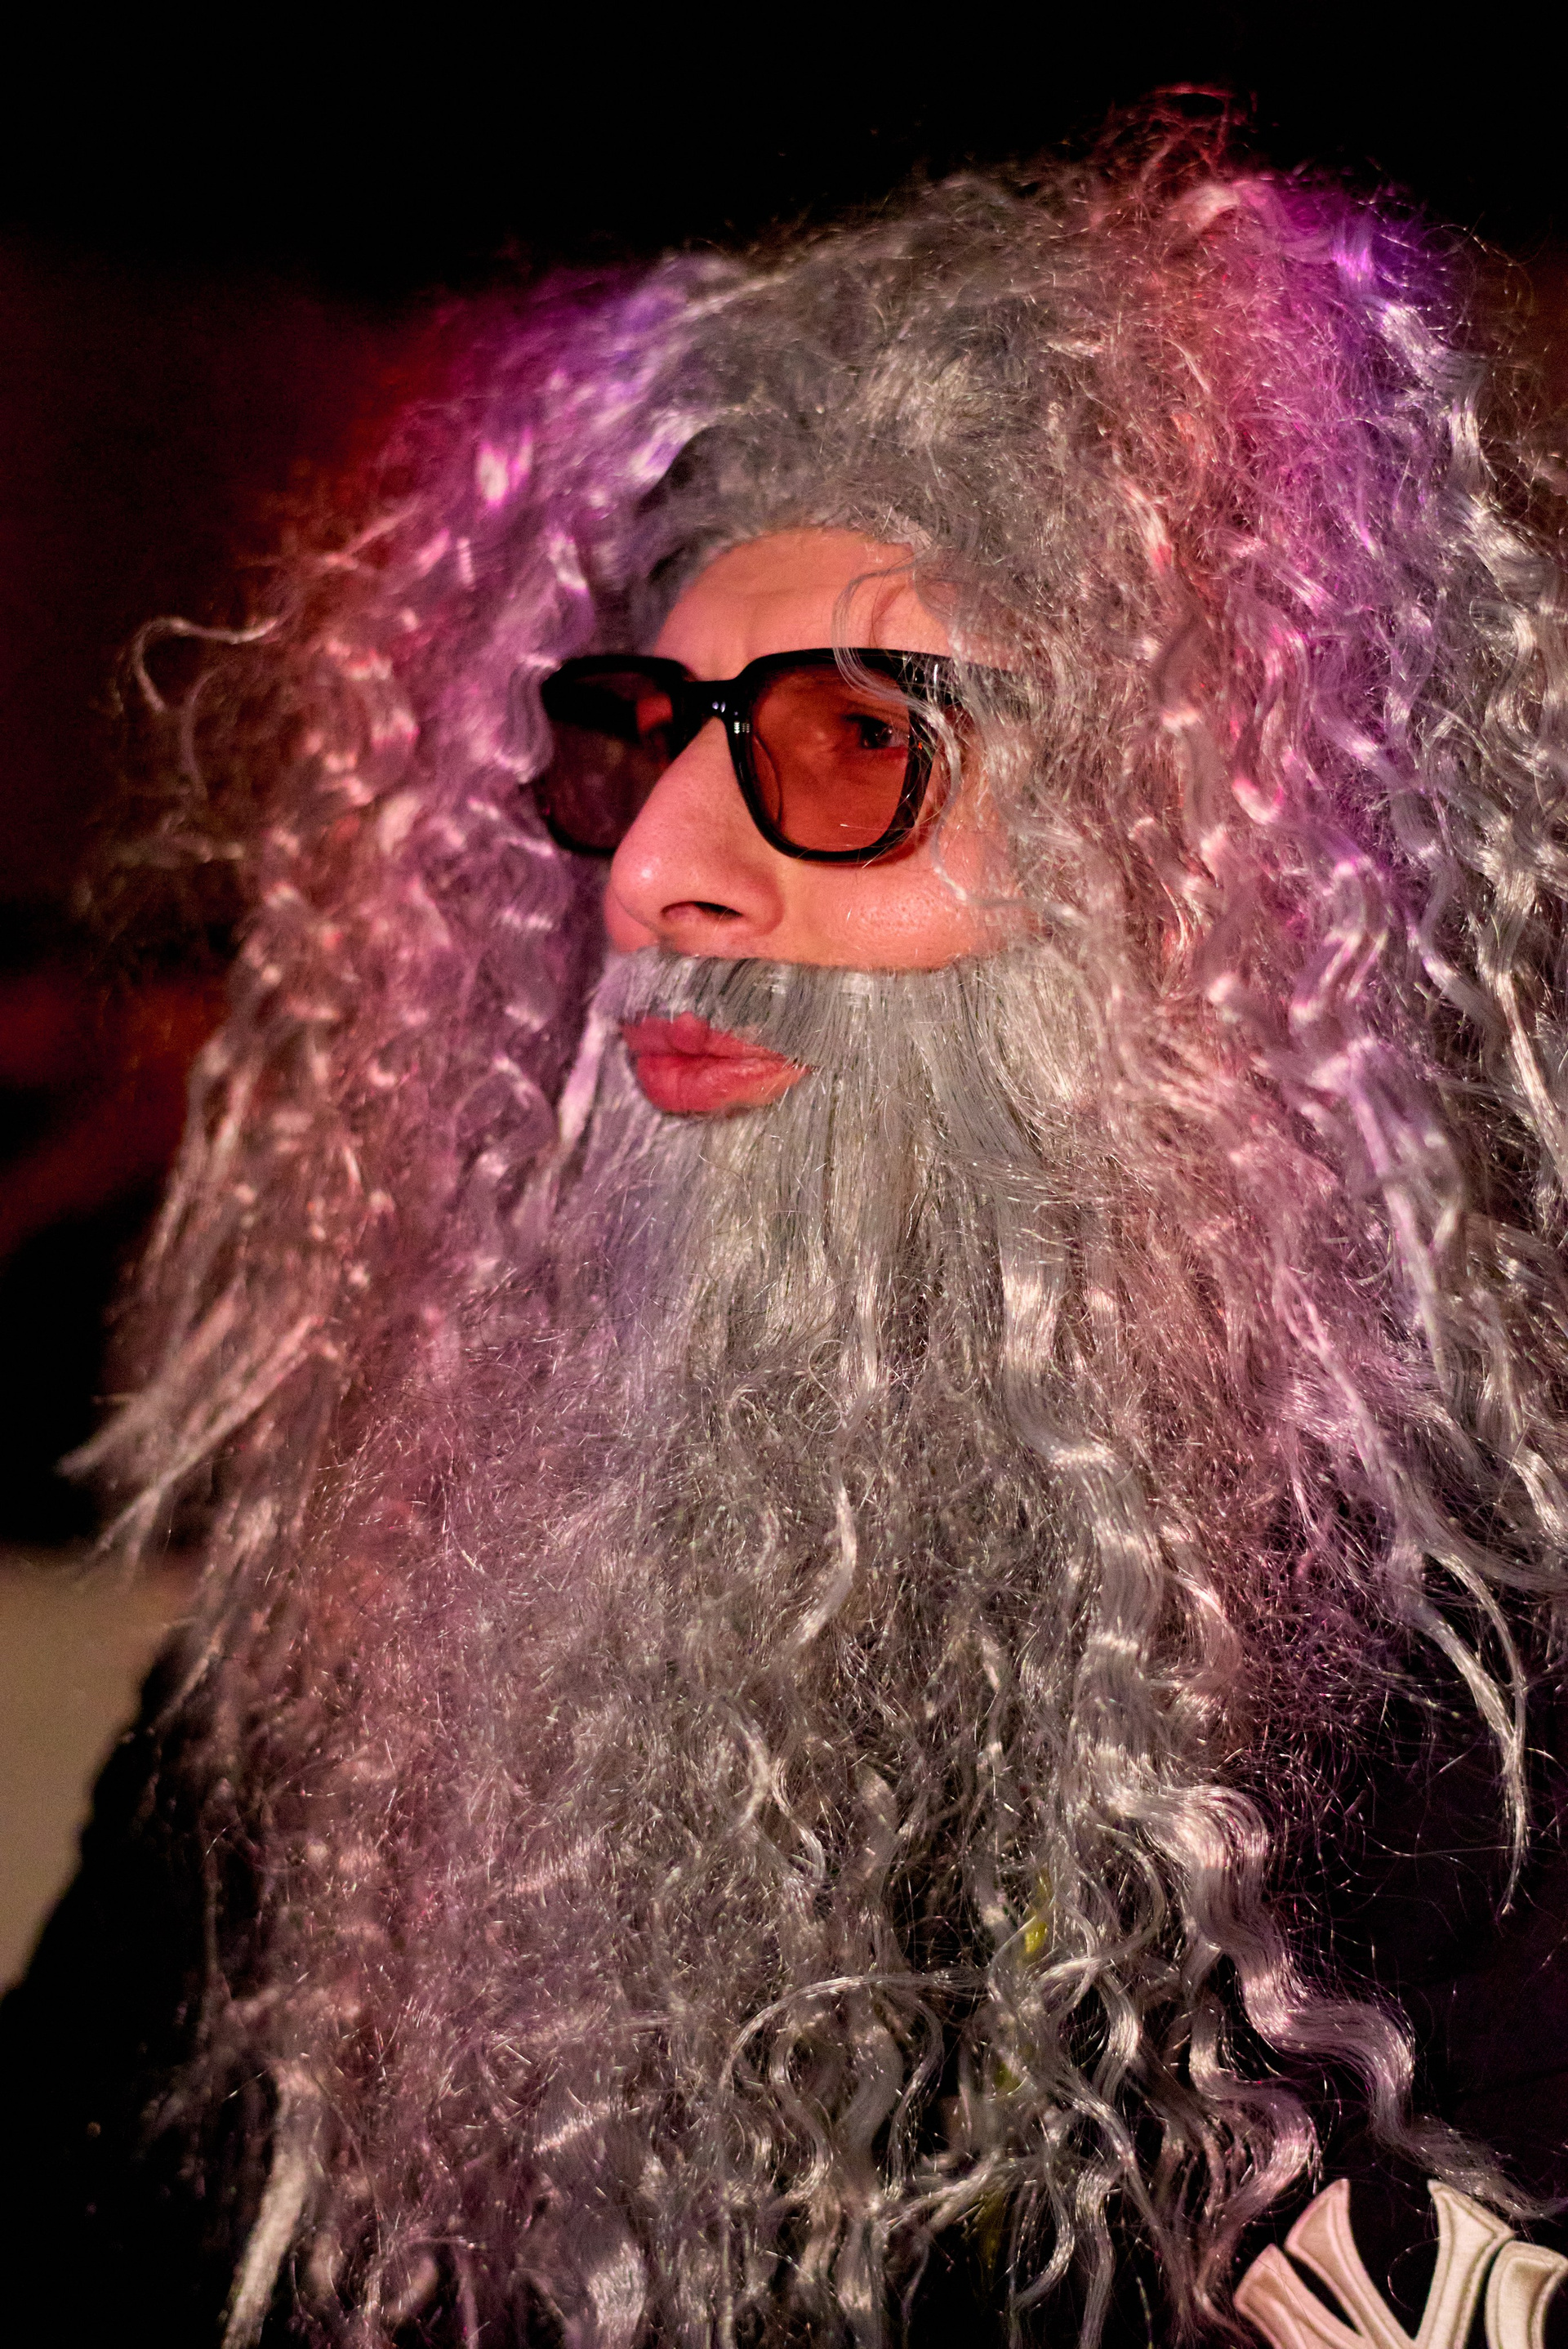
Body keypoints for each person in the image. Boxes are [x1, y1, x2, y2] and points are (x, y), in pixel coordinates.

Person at [6, 108, 1568, 2349]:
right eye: (638, 739)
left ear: (1188, 906)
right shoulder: (368, 1676)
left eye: (848, 743)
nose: (655, 872)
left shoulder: (1476, 1755)